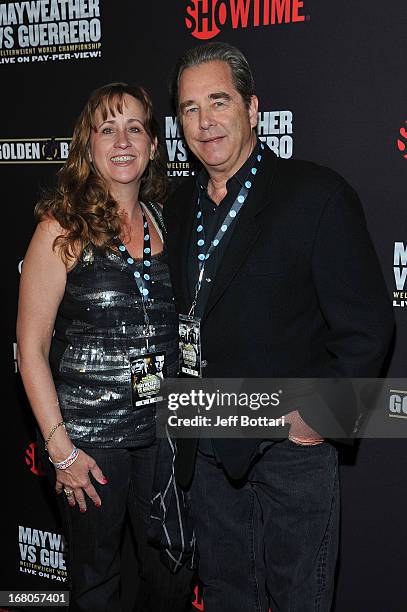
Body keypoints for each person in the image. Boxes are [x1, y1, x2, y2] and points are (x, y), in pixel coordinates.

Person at [163, 43, 395, 611]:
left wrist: (320, 417)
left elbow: (368, 326)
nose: (204, 121)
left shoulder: (316, 195)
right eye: (189, 109)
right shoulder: (175, 203)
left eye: (218, 102)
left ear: (252, 108)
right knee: (225, 596)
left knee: (300, 598)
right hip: (206, 446)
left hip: (290, 449)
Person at [17, 83, 191, 612]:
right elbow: (30, 344)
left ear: (154, 145)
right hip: (91, 448)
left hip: (163, 439)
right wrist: (60, 449)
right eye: (107, 128)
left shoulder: (168, 221)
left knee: (171, 580)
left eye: (135, 127)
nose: (122, 140)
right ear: (87, 145)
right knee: (96, 587)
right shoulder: (60, 229)